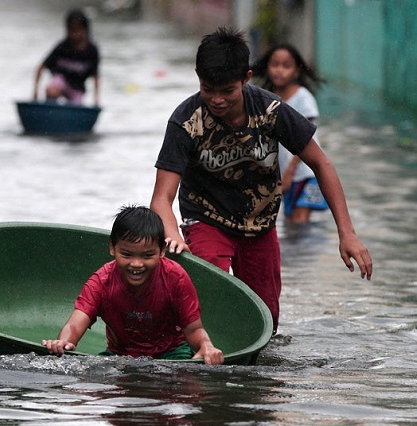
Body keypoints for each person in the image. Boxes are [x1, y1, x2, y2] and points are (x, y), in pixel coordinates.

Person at [149, 27, 372, 334]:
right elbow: (162, 197)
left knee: (265, 321)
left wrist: (346, 233)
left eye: (227, 90)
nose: (217, 100)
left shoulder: (271, 111)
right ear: (197, 76)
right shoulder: (186, 121)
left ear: (246, 78)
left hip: (260, 225)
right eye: (207, 88)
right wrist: (172, 233)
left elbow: (322, 164)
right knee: (207, 298)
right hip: (206, 220)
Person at [42, 205, 224, 365]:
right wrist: (62, 343)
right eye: (127, 254)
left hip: (172, 353)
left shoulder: (175, 277)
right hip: (120, 355)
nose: (136, 264)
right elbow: (74, 325)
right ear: (112, 248)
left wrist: (206, 346)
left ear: (162, 251)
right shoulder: (101, 281)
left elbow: (194, 330)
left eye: (147, 256)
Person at [252, 43, 328, 223]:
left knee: (300, 222)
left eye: (286, 66)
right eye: (275, 64)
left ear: (296, 71)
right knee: (291, 223)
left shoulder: (303, 97)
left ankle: (306, 252)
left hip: (305, 172)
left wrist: (289, 174)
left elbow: (305, 140)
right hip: (285, 174)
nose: (279, 70)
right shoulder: (266, 98)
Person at [33, 9, 100, 106]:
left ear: (85, 30)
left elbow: (96, 77)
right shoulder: (62, 47)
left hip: (77, 88)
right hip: (60, 81)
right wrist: (35, 93)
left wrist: (96, 99)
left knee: (76, 109)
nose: (74, 34)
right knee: (52, 90)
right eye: (71, 29)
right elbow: (40, 68)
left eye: (77, 30)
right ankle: (50, 111)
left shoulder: (92, 51)